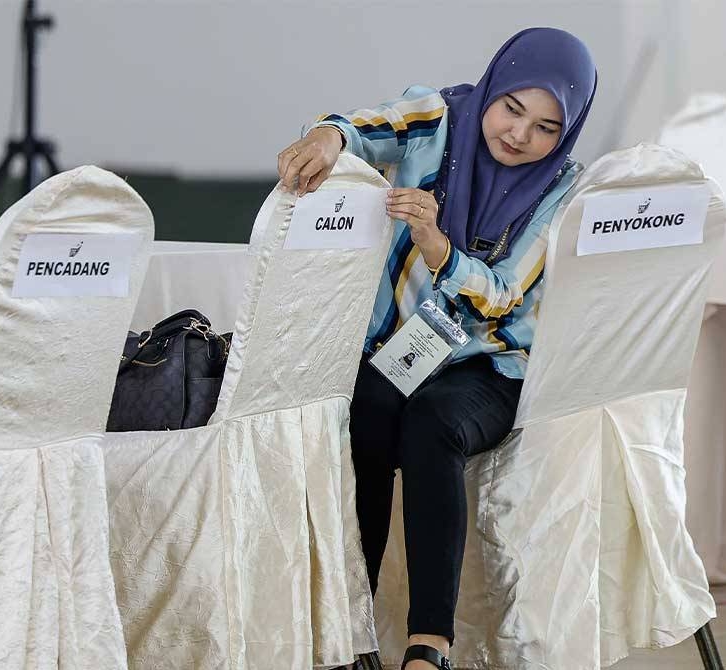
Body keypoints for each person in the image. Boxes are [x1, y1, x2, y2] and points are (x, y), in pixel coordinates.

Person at [276, 27, 597, 670]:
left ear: (566, 134)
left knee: (433, 426)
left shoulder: (564, 190)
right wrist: (328, 135)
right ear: (493, 89)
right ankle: (351, 628)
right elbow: (368, 126)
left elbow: (503, 297)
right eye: (511, 108)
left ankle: (430, 644)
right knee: (363, 412)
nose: (517, 135)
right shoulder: (438, 118)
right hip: (407, 348)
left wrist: (436, 245)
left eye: (544, 127)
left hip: (490, 365)